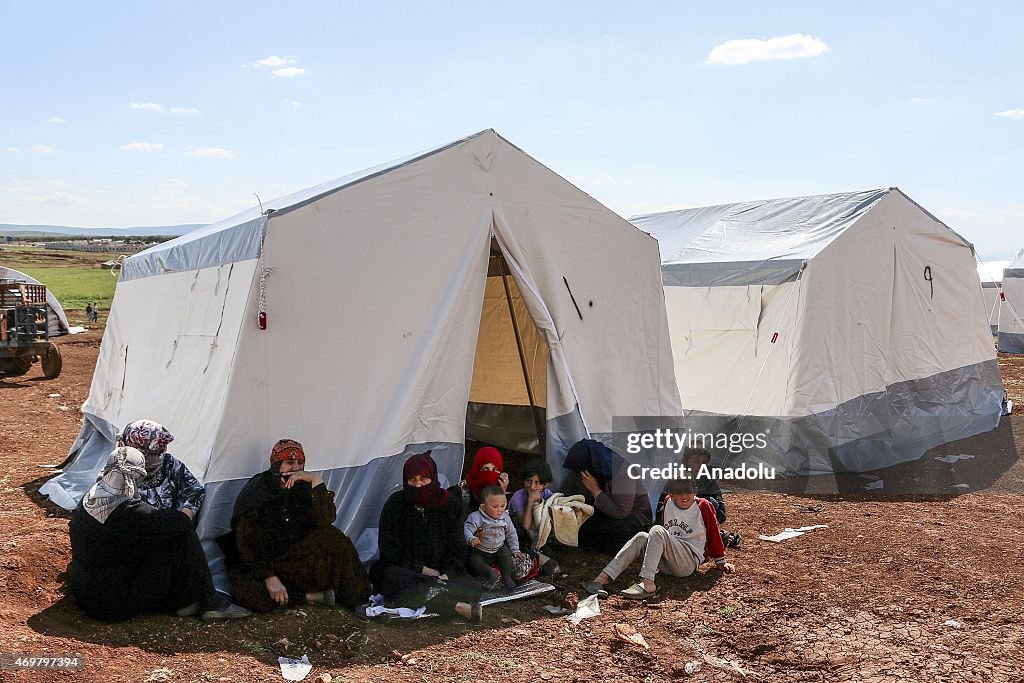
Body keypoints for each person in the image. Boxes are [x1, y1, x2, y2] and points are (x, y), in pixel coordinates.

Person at [68, 446, 250, 622]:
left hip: (84, 593)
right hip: (113, 604)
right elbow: (180, 523)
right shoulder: (132, 512)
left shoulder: (86, 500)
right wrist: (185, 512)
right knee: (179, 534)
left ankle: (187, 600)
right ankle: (208, 601)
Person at [225, 439, 371, 613]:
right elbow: (246, 541)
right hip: (266, 559)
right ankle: (313, 597)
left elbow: (325, 520)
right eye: (289, 463)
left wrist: (316, 481)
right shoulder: (257, 490)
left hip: (296, 557)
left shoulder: (304, 486)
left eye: (299, 463)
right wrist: (269, 576)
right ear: (276, 464)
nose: (295, 468)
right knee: (246, 591)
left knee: (335, 539)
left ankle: (358, 599)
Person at [370, 451, 483, 621]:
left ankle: (428, 594)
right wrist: (423, 570)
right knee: (388, 577)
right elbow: (389, 549)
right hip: (408, 571)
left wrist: (444, 575)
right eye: (412, 480)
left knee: (473, 587)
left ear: (433, 477)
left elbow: (457, 549)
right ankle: (456, 606)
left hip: (441, 573)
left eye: (424, 479)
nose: (418, 485)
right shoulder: (395, 504)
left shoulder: (449, 504)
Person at [582, 476, 735, 600]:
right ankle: (602, 579)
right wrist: (653, 557)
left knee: (656, 530)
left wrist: (721, 561)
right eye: (679, 491)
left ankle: (647, 583)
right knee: (642, 536)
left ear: (695, 491)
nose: (684, 495)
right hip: (668, 561)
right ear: (671, 493)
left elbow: (713, 532)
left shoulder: (703, 505)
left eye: (688, 490)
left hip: (687, 561)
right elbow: (663, 532)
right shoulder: (668, 502)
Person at [561, 439, 653, 555]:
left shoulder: (622, 472)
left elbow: (621, 512)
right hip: (607, 512)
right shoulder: (590, 471)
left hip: (633, 517)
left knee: (617, 533)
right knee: (584, 527)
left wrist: (595, 489)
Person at [655, 447, 740, 548]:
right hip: (675, 527)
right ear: (684, 461)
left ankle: (711, 537)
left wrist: (701, 507)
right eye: (696, 461)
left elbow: (721, 513)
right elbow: (660, 511)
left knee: (711, 502)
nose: (700, 466)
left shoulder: (708, 482)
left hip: (701, 528)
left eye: (704, 463)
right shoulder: (673, 480)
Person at [120, 419, 204, 521]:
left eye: (162, 451)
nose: (159, 457)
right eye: (155, 453)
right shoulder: (119, 472)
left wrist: (185, 517)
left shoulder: (170, 464)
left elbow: (195, 490)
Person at [507, 458, 560, 576]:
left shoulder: (546, 494)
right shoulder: (518, 498)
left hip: (537, 532)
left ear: (545, 484)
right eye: (529, 481)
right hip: (519, 533)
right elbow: (525, 526)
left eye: (537, 483)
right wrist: (531, 503)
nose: (532, 487)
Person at [464, 485, 523, 589]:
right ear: (483, 507)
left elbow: (511, 534)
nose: (499, 510)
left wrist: (515, 549)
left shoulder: (505, 518)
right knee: (473, 561)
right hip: (480, 550)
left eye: (503, 506)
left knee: (506, 555)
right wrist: (471, 538)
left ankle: (506, 577)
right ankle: (491, 573)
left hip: (498, 548)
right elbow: (467, 528)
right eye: (495, 507)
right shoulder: (477, 517)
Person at [456, 446, 510, 513]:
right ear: (476, 469)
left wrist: (501, 493)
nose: (490, 474)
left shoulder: (499, 490)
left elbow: (496, 518)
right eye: (485, 469)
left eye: (495, 470)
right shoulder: (458, 494)